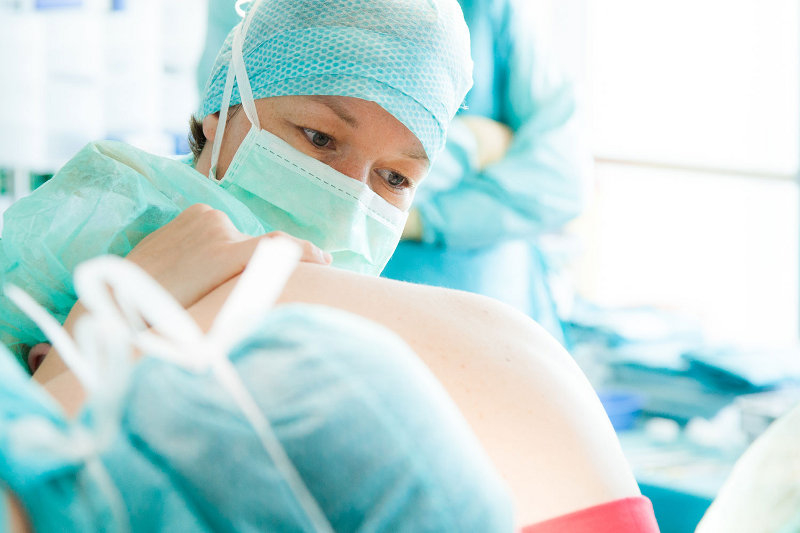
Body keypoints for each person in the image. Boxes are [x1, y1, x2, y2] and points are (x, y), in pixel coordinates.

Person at [0, 0, 658, 530]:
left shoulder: (327, 358)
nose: (347, 204)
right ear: (218, 110)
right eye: (318, 138)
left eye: (396, 179)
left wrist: (92, 344)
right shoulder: (105, 225)